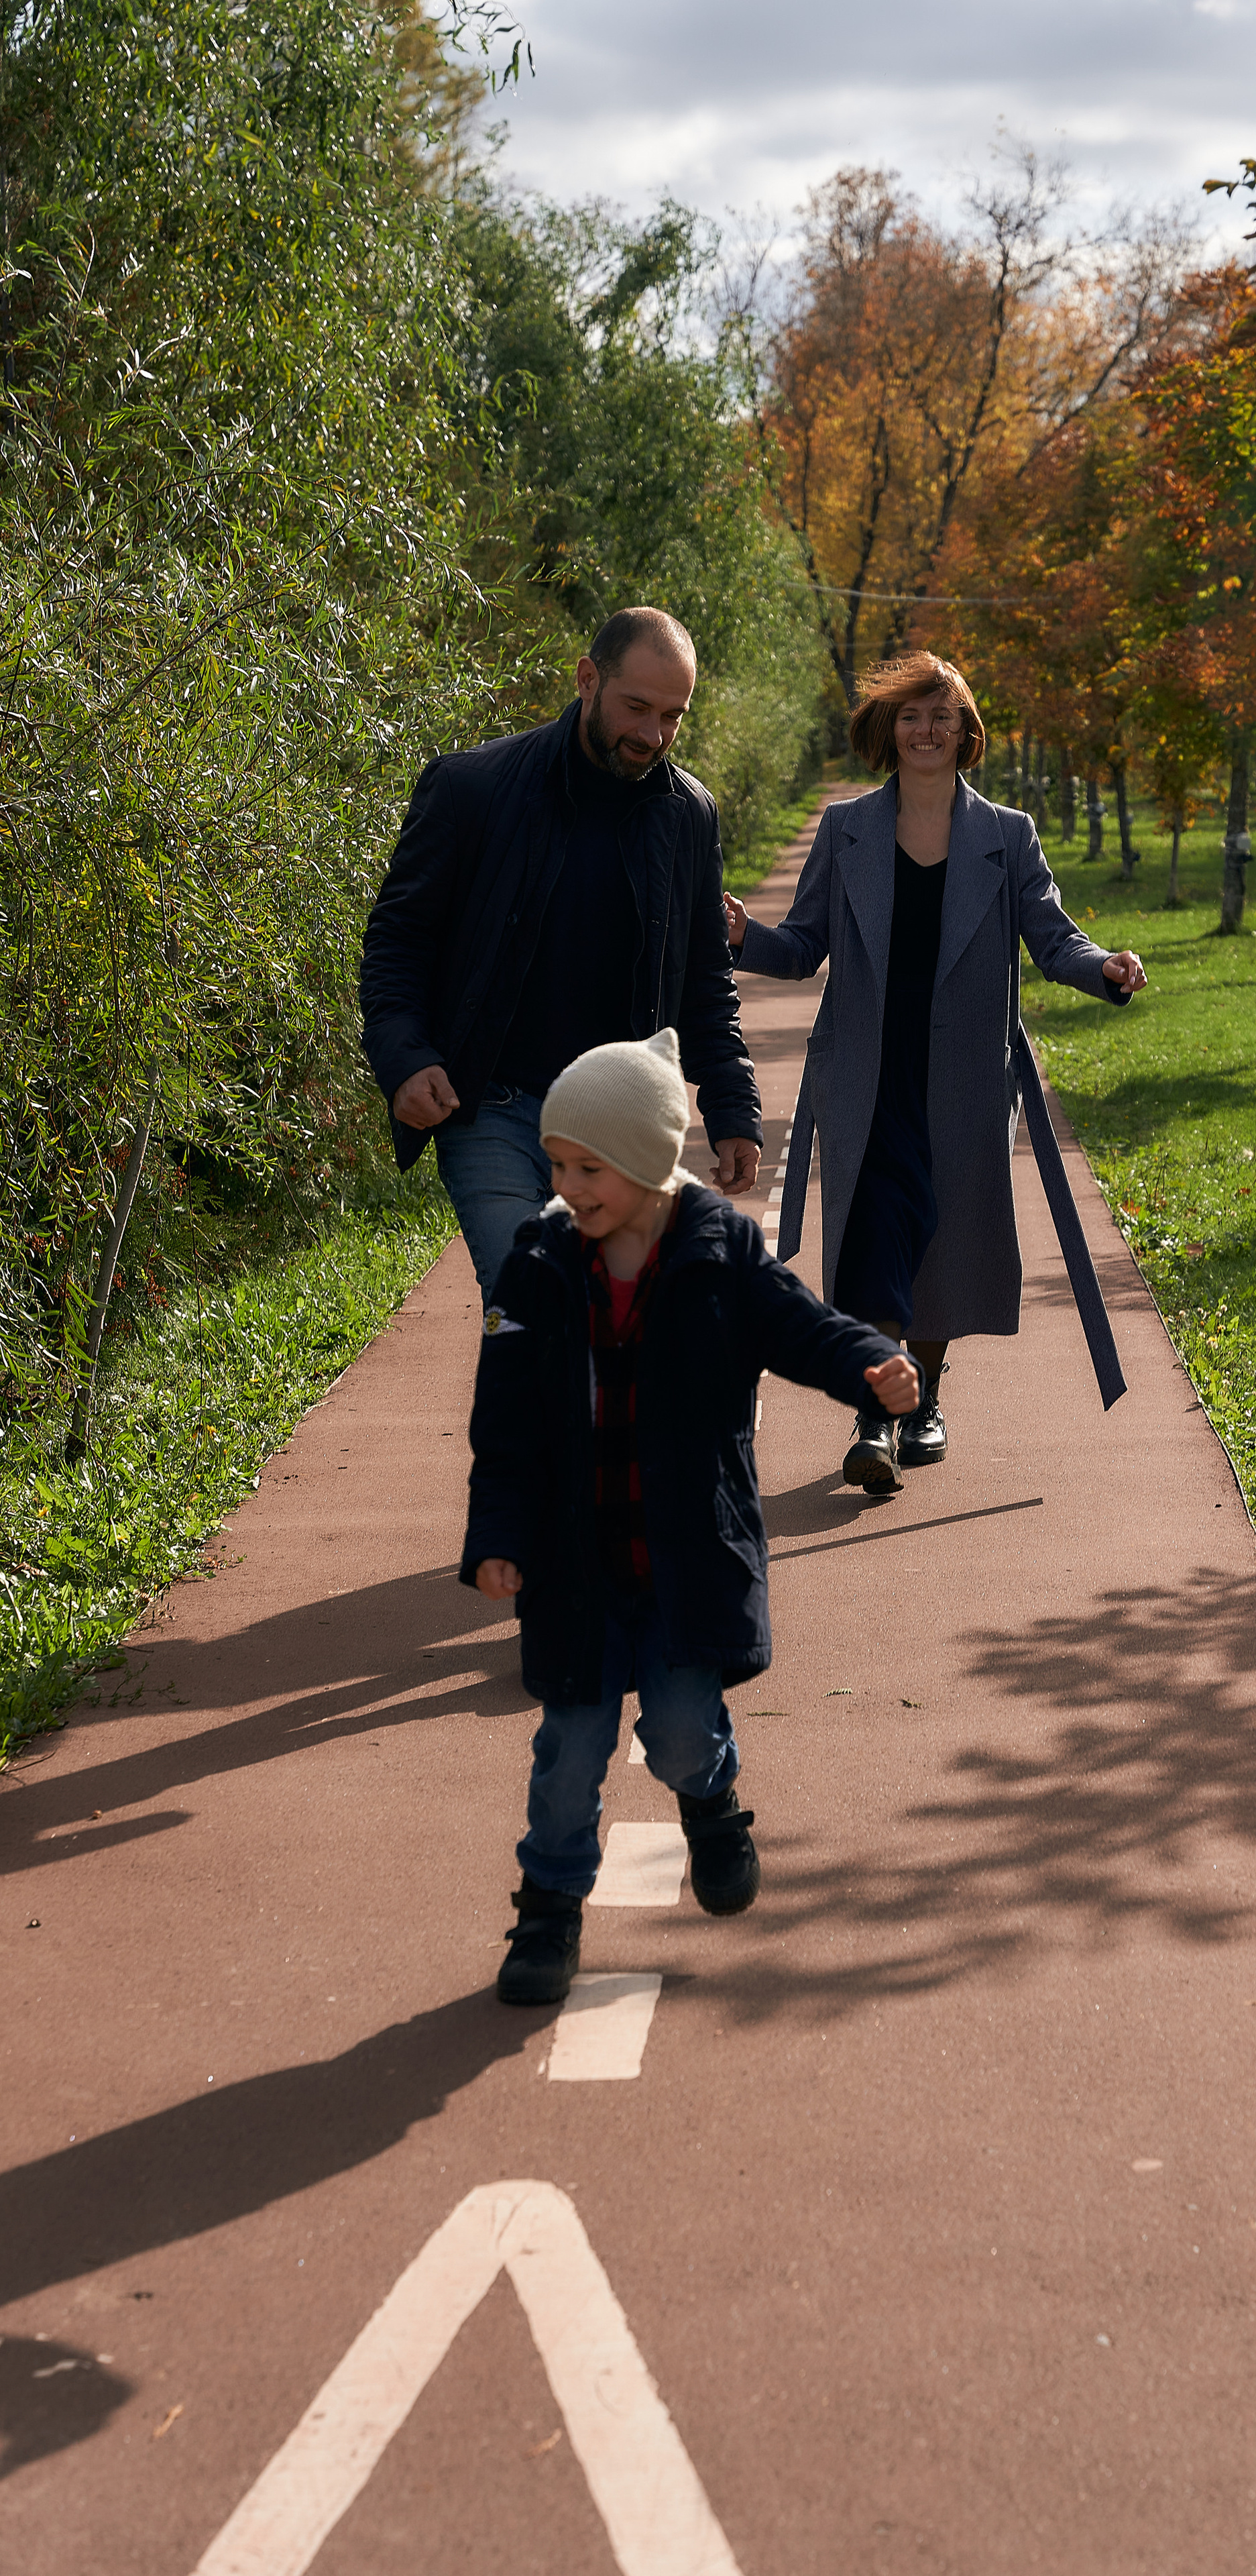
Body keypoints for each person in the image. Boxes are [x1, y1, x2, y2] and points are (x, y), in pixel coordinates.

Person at [462, 1027, 919, 2006]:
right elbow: (502, 1427)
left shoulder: (720, 1250)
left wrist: (867, 1368)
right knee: (570, 1752)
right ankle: (547, 1913)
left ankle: (710, 1805)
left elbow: (801, 1327)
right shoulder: (536, 1269)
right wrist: (498, 1539)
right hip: (576, 1566)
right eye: (556, 1163)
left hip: (683, 1559)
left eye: (588, 1166)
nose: (568, 1185)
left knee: (676, 1732)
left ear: (645, 1161)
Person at [724, 651, 1145, 1493]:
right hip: (865, 1076)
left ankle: (924, 1398)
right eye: (911, 716)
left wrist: (1103, 968)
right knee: (876, 1229)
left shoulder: (1006, 834)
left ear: (965, 733)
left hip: (962, 1081)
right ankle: (875, 1415)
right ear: (889, 730)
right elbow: (804, 947)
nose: (925, 730)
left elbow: (1054, 937)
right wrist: (742, 936)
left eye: (941, 716)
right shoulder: (845, 829)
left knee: (943, 1239)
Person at [360, 606, 762, 1306]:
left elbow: (704, 977)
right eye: (637, 707)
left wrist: (732, 1107)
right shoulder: (471, 790)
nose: (653, 735)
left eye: (673, 717)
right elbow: (399, 940)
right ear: (586, 680)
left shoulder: (687, 814)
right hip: (495, 1111)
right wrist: (405, 1057)